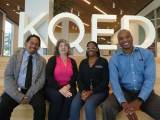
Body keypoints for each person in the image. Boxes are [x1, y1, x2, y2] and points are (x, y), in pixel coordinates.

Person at [103, 29, 160, 120]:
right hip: (124, 92)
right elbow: (114, 83)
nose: (125, 40)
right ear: (119, 42)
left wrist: (139, 100)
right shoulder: (114, 59)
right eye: (121, 38)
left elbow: (149, 80)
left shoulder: (147, 54)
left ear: (132, 38)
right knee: (107, 106)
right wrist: (123, 102)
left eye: (127, 37)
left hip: (145, 92)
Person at [0, 34, 46, 120]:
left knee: (41, 106)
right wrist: (19, 96)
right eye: (31, 43)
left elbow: (41, 80)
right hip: (16, 89)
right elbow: (8, 76)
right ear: (26, 43)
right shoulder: (15, 56)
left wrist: (28, 95)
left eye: (36, 44)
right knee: (3, 105)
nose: (34, 46)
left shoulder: (42, 61)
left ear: (38, 47)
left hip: (33, 91)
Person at [70, 41, 109, 120]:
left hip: (100, 91)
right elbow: (79, 79)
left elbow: (105, 81)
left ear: (97, 49)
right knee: (74, 105)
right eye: (88, 48)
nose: (90, 49)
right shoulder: (83, 62)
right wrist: (83, 91)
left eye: (93, 47)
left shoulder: (103, 61)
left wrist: (91, 92)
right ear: (87, 50)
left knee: (89, 104)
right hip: (84, 90)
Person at [45, 39, 78, 120]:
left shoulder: (72, 61)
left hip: (69, 86)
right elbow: (49, 76)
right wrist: (59, 88)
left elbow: (75, 76)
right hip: (53, 87)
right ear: (57, 48)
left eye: (65, 45)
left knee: (70, 97)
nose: (63, 47)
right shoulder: (52, 59)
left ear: (68, 48)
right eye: (61, 45)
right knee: (57, 97)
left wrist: (67, 86)